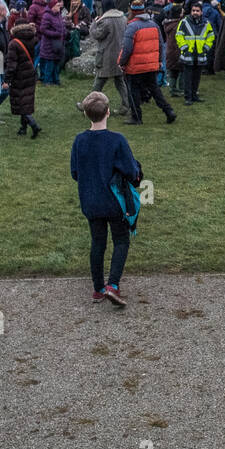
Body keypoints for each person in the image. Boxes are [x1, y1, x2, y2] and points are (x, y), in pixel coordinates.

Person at [71, 92, 142, 307]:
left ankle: (98, 288)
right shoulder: (117, 140)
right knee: (121, 240)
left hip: (91, 200)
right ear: (108, 112)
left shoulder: (79, 140)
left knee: (97, 242)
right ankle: (113, 284)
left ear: (86, 114)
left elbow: (75, 172)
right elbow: (131, 171)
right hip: (114, 201)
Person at [120, 0, 177, 125]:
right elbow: (160, 44)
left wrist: (122, 62)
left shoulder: (131, 26)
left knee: (133, 90)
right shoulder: (154, 25)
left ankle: (136, 117)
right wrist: (159, 61)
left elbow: (127, 48)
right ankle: (168, 111)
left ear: (132, 11)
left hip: (135, 65)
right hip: (151, 64)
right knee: (155, 89)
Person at [87, 0, 129, 120]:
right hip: (120, 54)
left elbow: (97, 35)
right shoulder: (123, 18)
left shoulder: (105, 21)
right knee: (120, 81)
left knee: (99, 81)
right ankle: (126, 105)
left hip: (107, 55)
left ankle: (87, 105)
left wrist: (94, 24)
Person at [3, 15, 42, 138]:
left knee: (20, 103)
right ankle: (23, 128)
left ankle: (34, 125)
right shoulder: (33, 38)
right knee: (26, 101)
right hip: (30, 73)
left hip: (19, 76)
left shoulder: (14, 43)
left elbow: (11, 65)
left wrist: (6, 80)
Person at [175, 0, 215, 105]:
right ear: (190, 11)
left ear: (201, 12)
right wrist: (185, 48)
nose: (195, 12)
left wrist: (206, 47)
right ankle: (188, 97)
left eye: (197, 11)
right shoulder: (184, 22)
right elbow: (179, 35)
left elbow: (211, 36)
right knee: (188, 77)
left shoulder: (206, 23)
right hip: (188, 54)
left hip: (200, 54)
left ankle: (194, 95)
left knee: (197, 77)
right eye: (193, 10)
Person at [36, 0, 67, 86]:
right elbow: (43, 29)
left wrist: (64, 32)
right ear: (52, 6)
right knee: (50, 63)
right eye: (57, 5)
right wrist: (55, 34)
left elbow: (62, 26)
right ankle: (47, 81)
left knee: (56, 62)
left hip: (58, 43)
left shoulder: (58, 15)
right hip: (49, 44)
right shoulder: (47, 15)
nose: (59, 7)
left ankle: (56, 80)